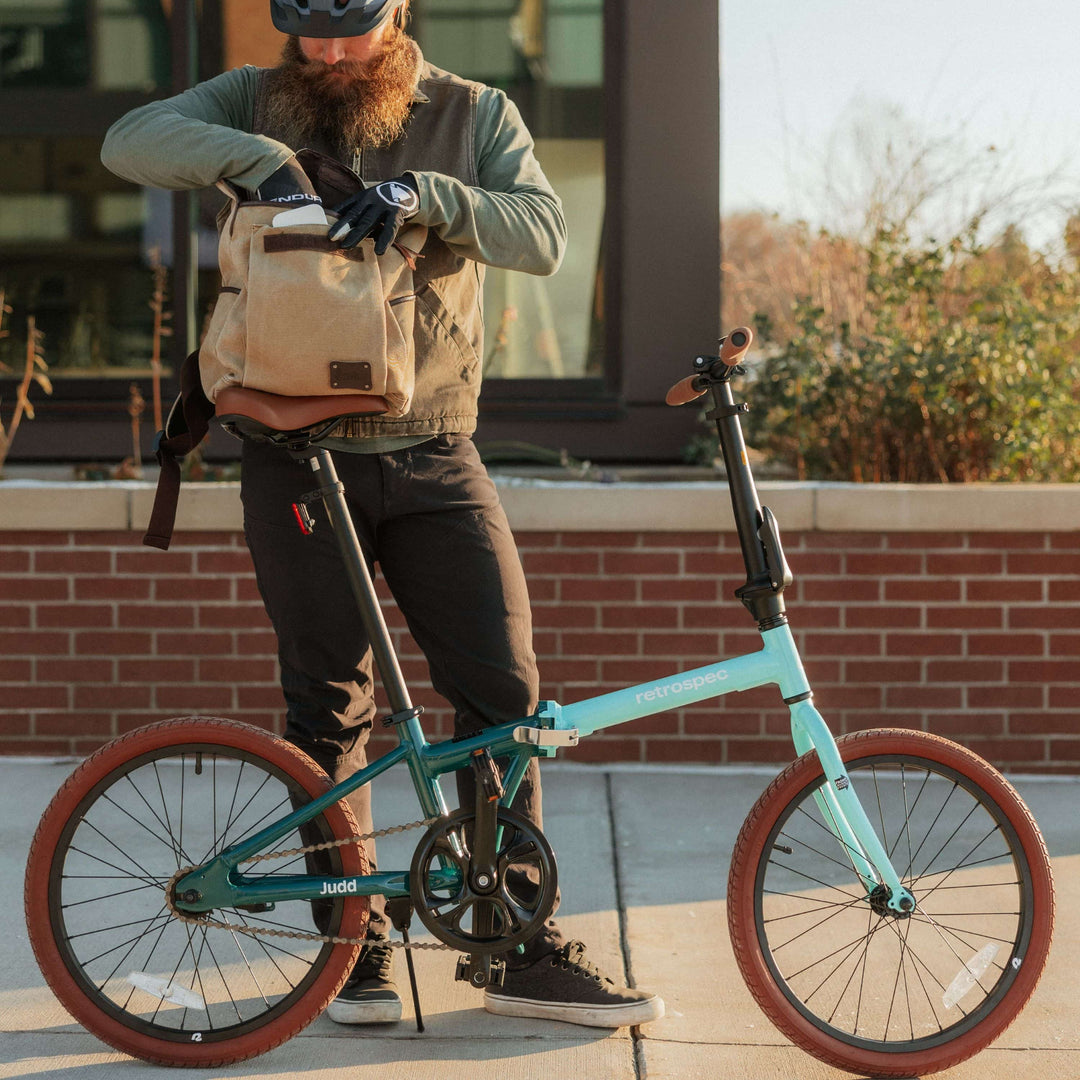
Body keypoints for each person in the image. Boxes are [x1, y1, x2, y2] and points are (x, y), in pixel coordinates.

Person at [101, 0, 663, 1033]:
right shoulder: (256, 97)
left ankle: (512, 943)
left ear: (397, 10)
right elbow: (127, 140)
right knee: (328, 708)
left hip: (436, 452)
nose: (328, 50)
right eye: (309, 28)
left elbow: (542, 232)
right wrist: (266, 158)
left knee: (504, 694)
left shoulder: (472, 112)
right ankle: (349, 948)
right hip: (292, 458)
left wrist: (429, 196)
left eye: (349, 27)